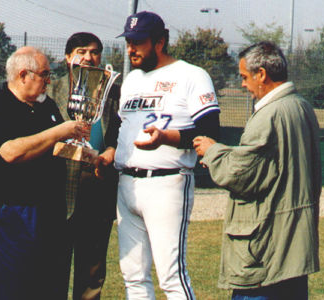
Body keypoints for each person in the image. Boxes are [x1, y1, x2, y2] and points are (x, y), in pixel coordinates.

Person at [193, 41, 321, 299]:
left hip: (266, 252)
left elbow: (242, 174)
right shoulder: (302, 107)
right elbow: (267, 163)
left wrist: (212, 151)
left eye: (244, 77)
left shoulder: (268, 115)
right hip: (293, 249)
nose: (242, 84)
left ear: (261, 74)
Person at [113, 11, 221, 300]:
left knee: (171, 277)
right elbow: (122, 128)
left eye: (138, 41)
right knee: (133, 277)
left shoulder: (191, 75)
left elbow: (210, 131)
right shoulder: (132, 79)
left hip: (167, 181)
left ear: (160, 42)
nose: (131, 48)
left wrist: (166, 138)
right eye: (128, 41)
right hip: (127, 183)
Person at [0, 46, 90, 299]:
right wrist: (60, 131)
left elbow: (56, 148)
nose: (49, 81)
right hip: (11, 213)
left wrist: (90, 158)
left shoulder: (46, 106)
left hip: (49, 210)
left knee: (50, 285)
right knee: (13, 287)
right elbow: (10, 152)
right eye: (44, 74)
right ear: (23, 75)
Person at [48, 32, 120, 300]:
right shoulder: (51, 89)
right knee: (53, 269)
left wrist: (111, 151)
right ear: (68, 57)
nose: (88, 57)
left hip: (97, 189)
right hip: (56, 191)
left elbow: (119, 135)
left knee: (92, 273)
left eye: (94, 52)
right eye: (81, 51)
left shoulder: (112, 92)